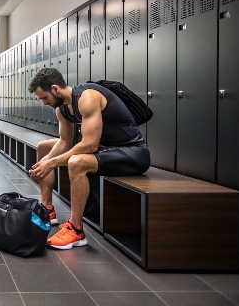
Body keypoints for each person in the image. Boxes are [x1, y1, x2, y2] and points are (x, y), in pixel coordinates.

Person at [27, 68, 150, 250]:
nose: (44, 103)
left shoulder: (87, 97)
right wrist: (43, 163)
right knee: (45, 147)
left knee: (76, 162)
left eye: (44, 97)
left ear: (55, 89)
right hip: (105, 149)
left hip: (132, 152)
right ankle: (48, 208)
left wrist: (51, 162)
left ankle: (76, 230)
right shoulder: (62, 109)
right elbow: (64, 141)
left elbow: (90, 145)